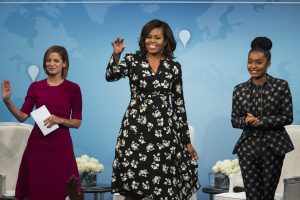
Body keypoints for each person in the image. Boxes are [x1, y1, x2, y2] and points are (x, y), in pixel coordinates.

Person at [105, 19, 200, 200]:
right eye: (148, 37)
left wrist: (186, 141)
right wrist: (116, 56)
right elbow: (111, 76)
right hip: (135, 129)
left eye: (157, 37)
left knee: (164, 186)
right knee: (133, 183)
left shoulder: (174, 67)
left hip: (164, 132)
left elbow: (179, 105)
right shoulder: (132, 60)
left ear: (166, 41)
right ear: (143, 39)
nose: (152, 41)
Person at [1, 45, 82, 200]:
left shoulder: (73, 88)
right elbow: (22, 116)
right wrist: (7, 101)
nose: (51, 64)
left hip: (61, 147)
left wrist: (60, 120)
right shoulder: (35, 87)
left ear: (64, 63)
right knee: (37, 189)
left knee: (60, 190)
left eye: (56, 60)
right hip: (37, 146)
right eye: (48, 60)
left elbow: (77, 122)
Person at [231, 36, 294, 200]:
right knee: (252, 196)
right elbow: (234, 120)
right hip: (248, 148)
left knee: (267, 195)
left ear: (268, 64)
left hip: (274, 146)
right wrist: (246, 120)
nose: (253, 66)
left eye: (258, 62)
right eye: (250, 62)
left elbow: (287, 117)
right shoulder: (239, 90)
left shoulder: (281, 86)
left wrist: (262, 121)